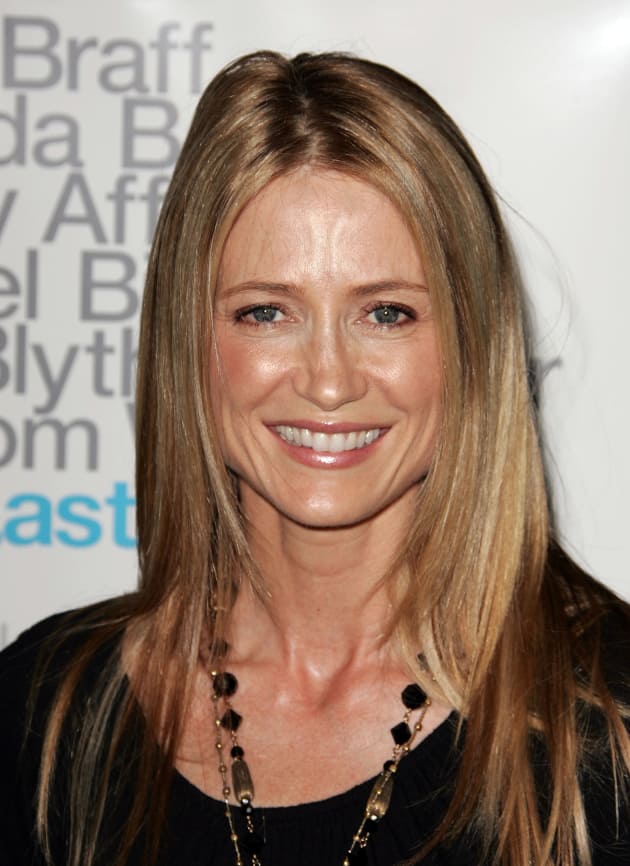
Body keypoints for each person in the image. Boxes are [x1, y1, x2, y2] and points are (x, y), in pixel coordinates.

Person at [1, 50, 628, 866]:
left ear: (472, 344)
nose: (328, 380)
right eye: (266, 312)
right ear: (188, 342)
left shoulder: (610, 721)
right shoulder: (44, 716)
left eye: (387, 313)